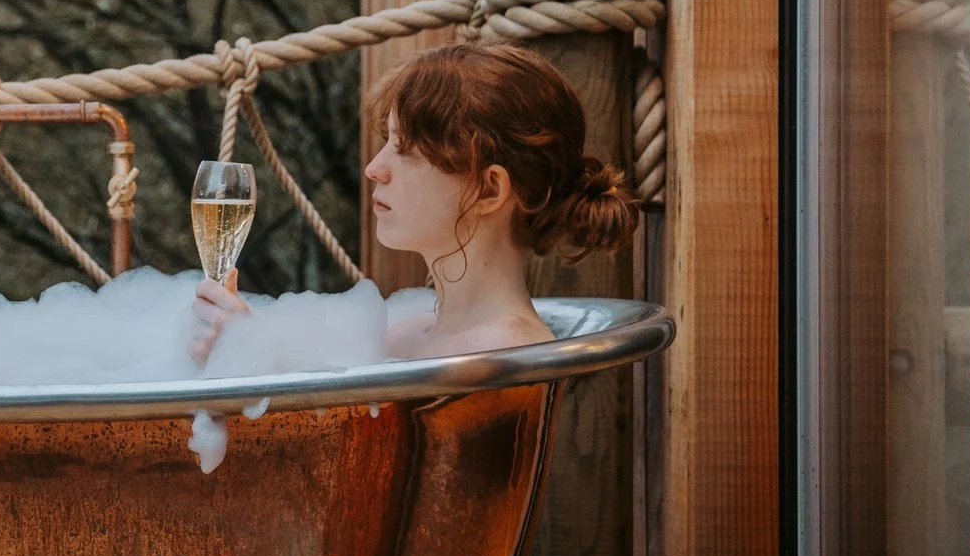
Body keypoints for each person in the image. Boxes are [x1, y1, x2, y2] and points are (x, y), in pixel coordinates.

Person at [192, 40, 640, 362]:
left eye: (405, 149)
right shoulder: (401, 336)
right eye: (387, 141)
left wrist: (250, 355)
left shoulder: (502, 356)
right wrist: (241, 347)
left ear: (489, 189)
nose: (374, 168)